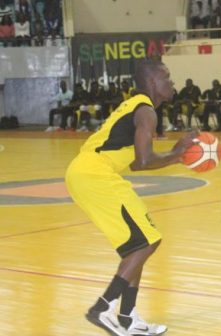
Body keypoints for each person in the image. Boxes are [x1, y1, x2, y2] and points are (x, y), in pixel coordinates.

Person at [65, 59, 196, 336]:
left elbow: (137, 163)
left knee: (137, 247)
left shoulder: (137, 106)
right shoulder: (146, 110)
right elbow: (145, 160)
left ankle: (127, 317)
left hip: (85, 172)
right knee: (148, 241)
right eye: (167, 78)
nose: (171, 83)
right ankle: (103, 307)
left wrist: (175, 154)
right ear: (152, 83)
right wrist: (178, 154)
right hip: (95, 174)